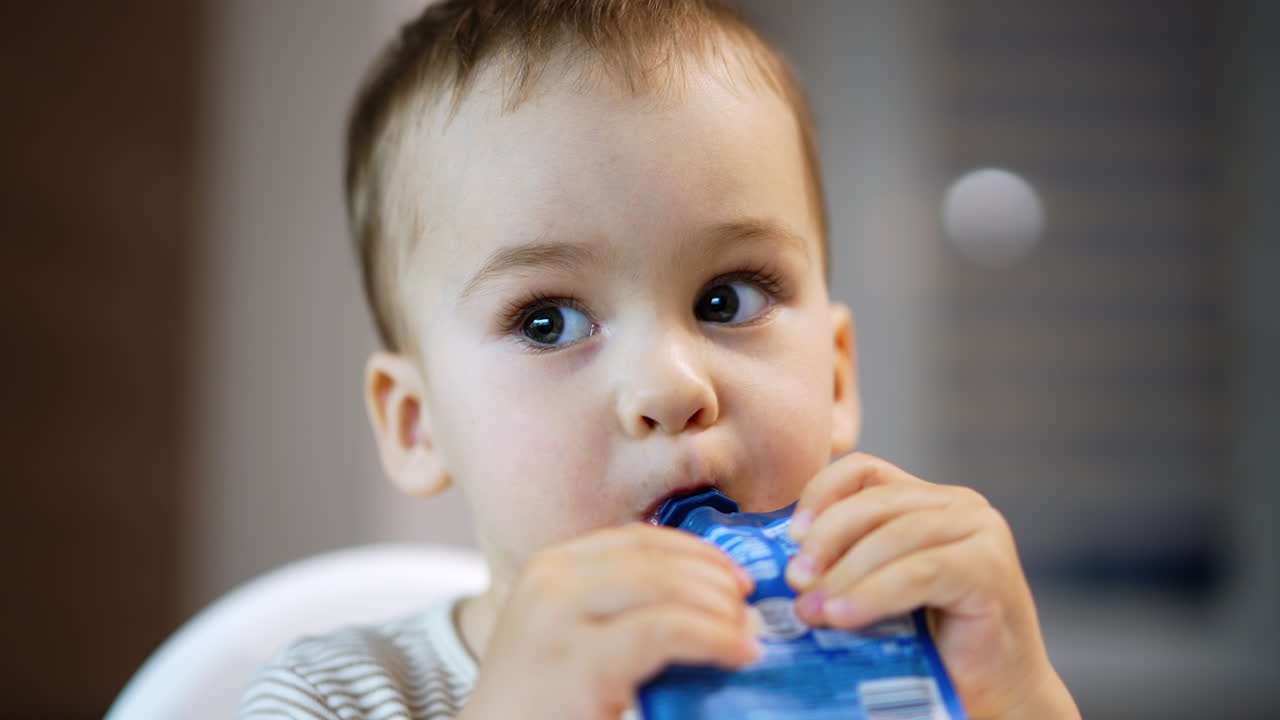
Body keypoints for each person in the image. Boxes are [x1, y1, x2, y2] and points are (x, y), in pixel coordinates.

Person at [239, 1, 1081, 718]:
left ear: (833, 374)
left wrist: (1014, 692)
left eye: (727, 299)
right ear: (419, 426)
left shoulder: (895, 662)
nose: (671, 387)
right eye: (547, 322)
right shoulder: (337, 693)